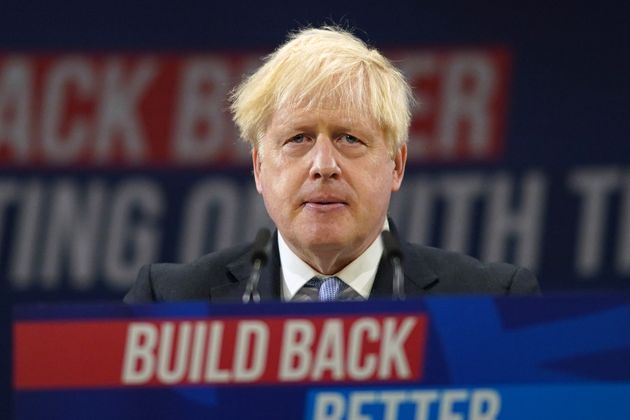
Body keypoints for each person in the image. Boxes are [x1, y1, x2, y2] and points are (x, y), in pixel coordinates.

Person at [124, 26, 539, 303]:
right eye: (298, 139)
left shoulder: (491, 302)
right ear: (258, 168)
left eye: (349, 138)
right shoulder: (168, 302)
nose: (324, 165)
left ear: (397, 164)